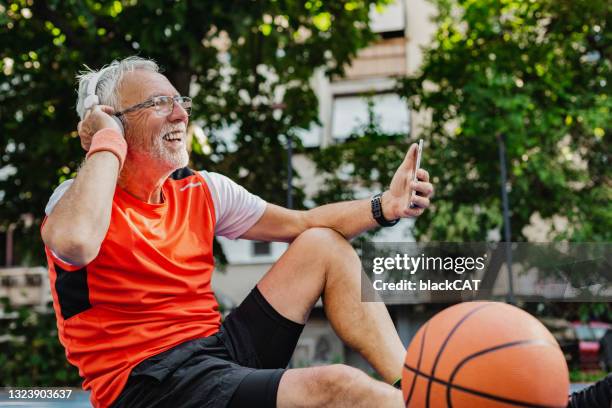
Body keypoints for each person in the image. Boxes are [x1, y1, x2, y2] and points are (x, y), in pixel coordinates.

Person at [41, 56, 434, 408]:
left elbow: (304, 223)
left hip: (217, 354)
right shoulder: (77, 201)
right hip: (149, 385)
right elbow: (75, 242)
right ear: (112, 120)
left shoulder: (203, 190)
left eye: (181, 103)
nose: (180, 114)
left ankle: (417, 388)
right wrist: (106, 139)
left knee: (322, 244)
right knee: (340, 385)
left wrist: (386, 206)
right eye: (160, 103)